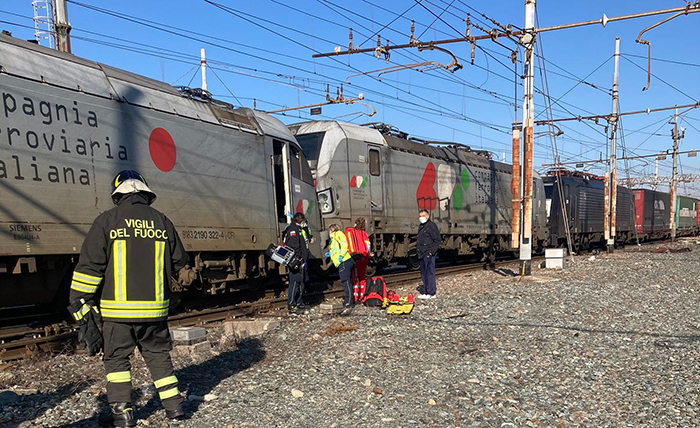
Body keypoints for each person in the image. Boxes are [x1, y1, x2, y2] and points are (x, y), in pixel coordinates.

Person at [66, 170, 189, 427]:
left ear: (118, 194)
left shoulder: (107, 221)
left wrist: (80, 302)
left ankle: (122, 415)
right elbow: (180, 262)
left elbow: (90, 268)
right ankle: (175, 408)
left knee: (117, 361)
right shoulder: (162, 221)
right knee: (158, 357)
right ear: (145, 193)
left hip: (117, 314)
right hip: (155, 312)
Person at [283, 212, 308, 314]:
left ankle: (298, 302)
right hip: (296, 261)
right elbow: (294, 246)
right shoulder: (293, 230)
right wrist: (298, 259)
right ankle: (292, 304)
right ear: (300, 221)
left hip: (300, 260)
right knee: (295, 282)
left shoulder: (298, 230)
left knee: (299, 281)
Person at [327, 223, 355, 308]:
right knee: (345, 281)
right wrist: (330, 254)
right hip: (342, 262)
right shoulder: (333, 239)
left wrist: (341, 256)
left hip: (344, 260)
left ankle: (349, 301)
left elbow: (344, 244)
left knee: (346, 281)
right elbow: (336, 249)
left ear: (332, 230)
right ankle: (348, 300)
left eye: (329, 231)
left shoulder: (338, 234)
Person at [345, 217, 371, 302]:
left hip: (354, 256)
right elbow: (368, 247)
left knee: (354, 277)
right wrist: (368, 254)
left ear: (355, 224)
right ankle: (362, 295)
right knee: (362, 276)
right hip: (363, 256)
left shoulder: (351, 232)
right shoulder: (364, 234)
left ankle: (355, 296)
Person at [416, 209, 440, 299]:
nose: (421, 218)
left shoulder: (431, 226)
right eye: (420, 216)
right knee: (424, 273)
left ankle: (431, 293)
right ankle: (426, 292)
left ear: (427, 216)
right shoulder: (421, 226)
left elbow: (437, 240)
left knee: (429, 273)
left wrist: (431, 252)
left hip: (428, 253)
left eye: (423, 216)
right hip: (422, 253)